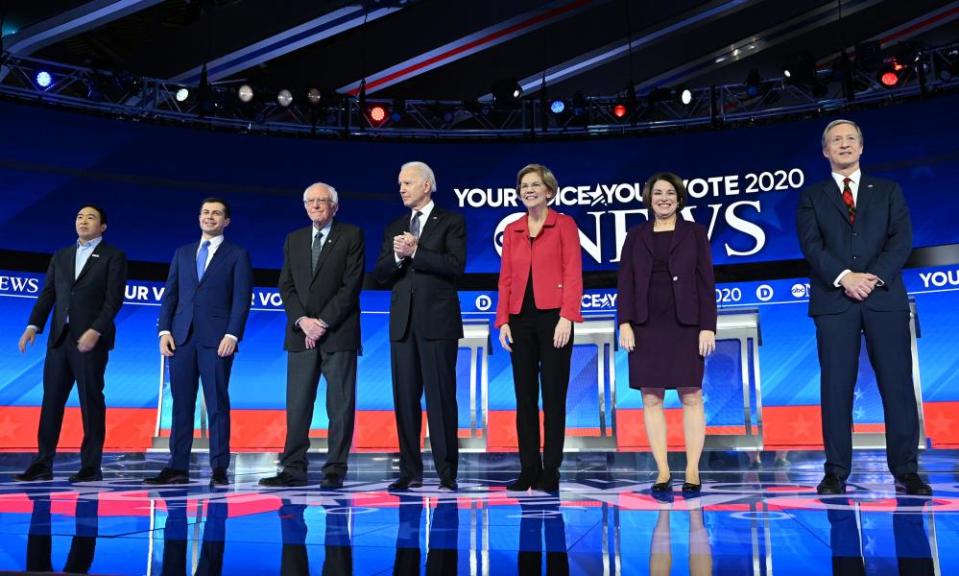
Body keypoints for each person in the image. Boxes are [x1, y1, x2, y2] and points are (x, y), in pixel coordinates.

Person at [797, 119, 930, 496]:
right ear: (825, 151)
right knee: (836, 388)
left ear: (861, 147)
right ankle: (835, 471)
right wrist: (844, 277)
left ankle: (906, 470)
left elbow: (901, 240)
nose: (843, 144)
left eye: (850, 138)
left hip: (883, 298)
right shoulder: (812, 196)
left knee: (898, 386)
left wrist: (871, 277)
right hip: (834, 302)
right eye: (835, 140)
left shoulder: (888, 191)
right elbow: (812, 246)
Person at [617, 172, 716, 494]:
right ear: (649, 198)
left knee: (691, 395)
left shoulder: (696, 233)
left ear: (679, 198)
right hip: (647, 324)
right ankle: (661, 472)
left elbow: (705, 282)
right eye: (657, 193)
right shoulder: (635, 235)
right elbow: (626, 281)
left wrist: (707, 327)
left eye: (669, 193)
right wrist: (625, 322)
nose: (663, 198)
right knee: (650, 397)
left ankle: (691, 470)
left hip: (686, 323)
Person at [260, 182, 364, 489]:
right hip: (300, 334)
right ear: (305, 206)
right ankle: (293, 468)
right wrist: (303, 321)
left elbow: (351, 284)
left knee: (340, 405)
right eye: (311, 201)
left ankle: (335, 468)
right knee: (298, 404)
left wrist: (323, 322)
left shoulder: (352, 235)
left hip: (338, 333)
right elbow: (286, 285)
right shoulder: (294, 239)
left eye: (322, 201)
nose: (316, 205)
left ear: (335, 206)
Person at [15, 205, 127, 483]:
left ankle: (91, 466)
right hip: (58, 339)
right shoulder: (62, 255)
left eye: (90, 217)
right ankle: (43, 462)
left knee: (90, 401)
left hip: (90, 341)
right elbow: (49, 293)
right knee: (51, 401)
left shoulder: (113, 256)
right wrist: (33, 325)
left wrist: (96, 331)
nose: (83, 221)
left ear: (103, 226)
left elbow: (114, 300)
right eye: (79, 216)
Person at [145, 198, 252, 487]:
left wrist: (232, 334)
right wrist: (164, 331)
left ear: (226, 221)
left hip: (217, 341)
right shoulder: (182, 253)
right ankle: (177, 466)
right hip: (181, 339)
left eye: (216, 213)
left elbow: (242, 299)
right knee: (180, 405)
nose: (210, 217)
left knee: (217, 403)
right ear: (199, 217)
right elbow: (171, 295)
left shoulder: (237, 254)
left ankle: (219, 468)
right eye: (205, 212)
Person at [372, 161, 465, 492]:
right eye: (400, 183)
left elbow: (455, 267)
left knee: (440, 399)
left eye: (408, 182)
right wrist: (399, 257)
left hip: (438, 324)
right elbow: (381, 273)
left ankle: (446, 472)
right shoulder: (395, 226)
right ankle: (409, 471)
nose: (401, 188)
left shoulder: (451, 222)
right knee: (405, 400)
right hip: (402, 326)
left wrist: (416, 251)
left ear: (427, 185)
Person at [495, 164, 583, 493]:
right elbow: (505, 279)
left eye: (535, 184)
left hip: (554, 318)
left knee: (554, 396)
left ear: (549, 190)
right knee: (525, 397)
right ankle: (529, 468)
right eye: (524, 185)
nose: (529, 189)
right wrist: (502, 319)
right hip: (520, 319)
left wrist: (567, 316)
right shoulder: (514, 229)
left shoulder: (564, 224)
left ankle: (551, 470)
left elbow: (573, 272)